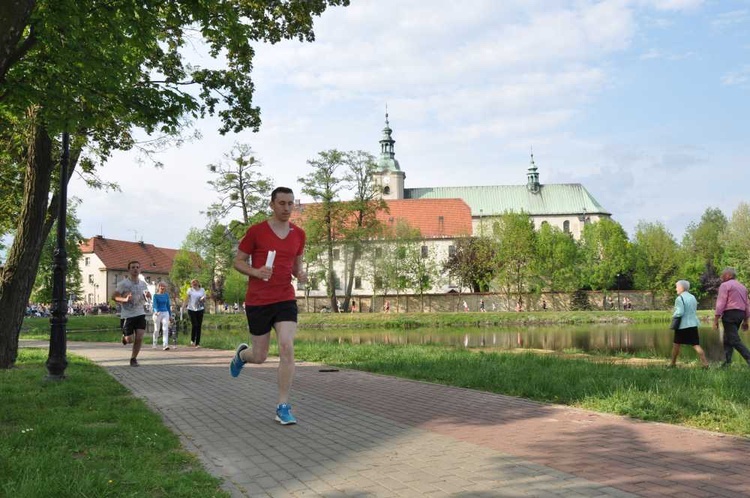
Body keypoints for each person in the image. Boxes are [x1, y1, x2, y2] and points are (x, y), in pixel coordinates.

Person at [229, 186, 307, 425]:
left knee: (286, 346)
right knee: (260, 355)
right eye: (281, 203)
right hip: (258, 300)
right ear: (272, 204)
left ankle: (283, 406)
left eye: (290, 203)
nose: (286, 208)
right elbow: (238, 261)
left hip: (285, 297)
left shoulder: (299, 234)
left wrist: (301, 275)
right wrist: (256, 271)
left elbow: (296, 267)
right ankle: (242, 355)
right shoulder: (256, 232)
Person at [113, 260, 151, 367]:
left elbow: (147, 298)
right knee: (130, 340)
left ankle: (133, 359)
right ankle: (125, 337)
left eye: (137, 267)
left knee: (139, 337)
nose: (135, 269)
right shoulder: (123, 284)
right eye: (133, 267)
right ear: (129, 270)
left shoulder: (143, 284)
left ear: (140, 269)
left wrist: (148, 296)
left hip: (140, 313)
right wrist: (125, 299)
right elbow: (114, 297)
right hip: (127, 315)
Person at [713, 267, 750, 368]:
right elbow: (747, 304)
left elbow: (721, 303)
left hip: (730, 314)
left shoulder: (725, 285)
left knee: (734, 339)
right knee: (727, 338)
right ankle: (727, 362)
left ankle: (748, 358)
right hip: (740, 314)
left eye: (723, 275)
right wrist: (746, 320)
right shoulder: (742, 287)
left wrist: (716, 319)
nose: (721, 277)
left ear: (729, 275)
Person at [669, 280, 709, 368]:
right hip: (693, 323)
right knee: (696, 345)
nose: (676, 289)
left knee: (676, 344)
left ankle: (672, 363)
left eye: (676, 287)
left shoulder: (679, 298)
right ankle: (705, 364)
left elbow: (680, 312)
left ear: (681, 288)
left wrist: (674, 314)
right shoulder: (693, 297)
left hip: (682, 325)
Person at [182, 279, 206, 347]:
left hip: (200, 309)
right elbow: (186, 299)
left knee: (199, 326)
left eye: (195, 283)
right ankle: (192, 340)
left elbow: (204, 300)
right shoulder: (190, 290)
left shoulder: (202, 290)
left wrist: (203, 299)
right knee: (194, 324)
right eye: (192, 283)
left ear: (198, 283)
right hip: (191, 309)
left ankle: (197, 343)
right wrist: (183, 307)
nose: (194, 284)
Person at [152, 282, 171, 350]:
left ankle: (165, 345)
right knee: (157, 329)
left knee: (165, 329)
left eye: (164, 286)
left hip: (165, 312)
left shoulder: (166, 295)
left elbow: (168, 305)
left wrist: (170, 315)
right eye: (161, 286)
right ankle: (154, 343)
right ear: (158, 287)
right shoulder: (155, 296)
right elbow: (154, 305)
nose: (162, 288)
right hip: (158, 313)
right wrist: (156, 311)